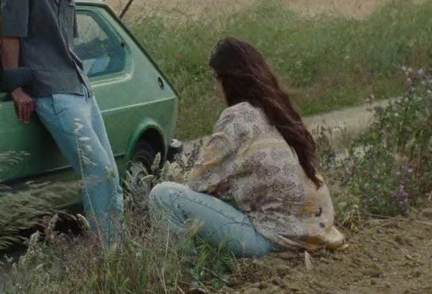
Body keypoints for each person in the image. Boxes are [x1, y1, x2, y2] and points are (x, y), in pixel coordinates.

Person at [148, 38, 346, 257]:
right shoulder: (277, 111)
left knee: (163, 195)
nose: (216, 88)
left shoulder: (237, 117)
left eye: (216, 79)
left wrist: (224, 185)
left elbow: (197, 182)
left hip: (273, 239)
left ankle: (186, 276)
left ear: (227, 80)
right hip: (315, 234)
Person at [0, 0, 124, 246]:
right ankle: (108, 252)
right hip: (52, 93)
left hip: (80, 86)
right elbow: (10, 36)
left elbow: (66, 40)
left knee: (110, 172)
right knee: (97, 173)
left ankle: (119, 248)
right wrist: (16, 87)